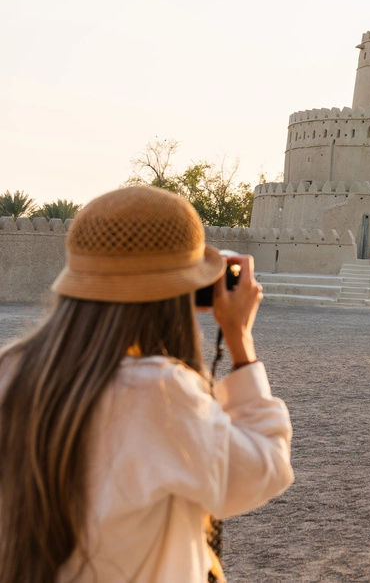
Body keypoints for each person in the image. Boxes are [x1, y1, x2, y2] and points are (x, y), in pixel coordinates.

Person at [0, 186, 294, 582]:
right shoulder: (159, 393)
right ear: (181, 294)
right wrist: (239, 339)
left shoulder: (12, 369)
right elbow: (264, 468)